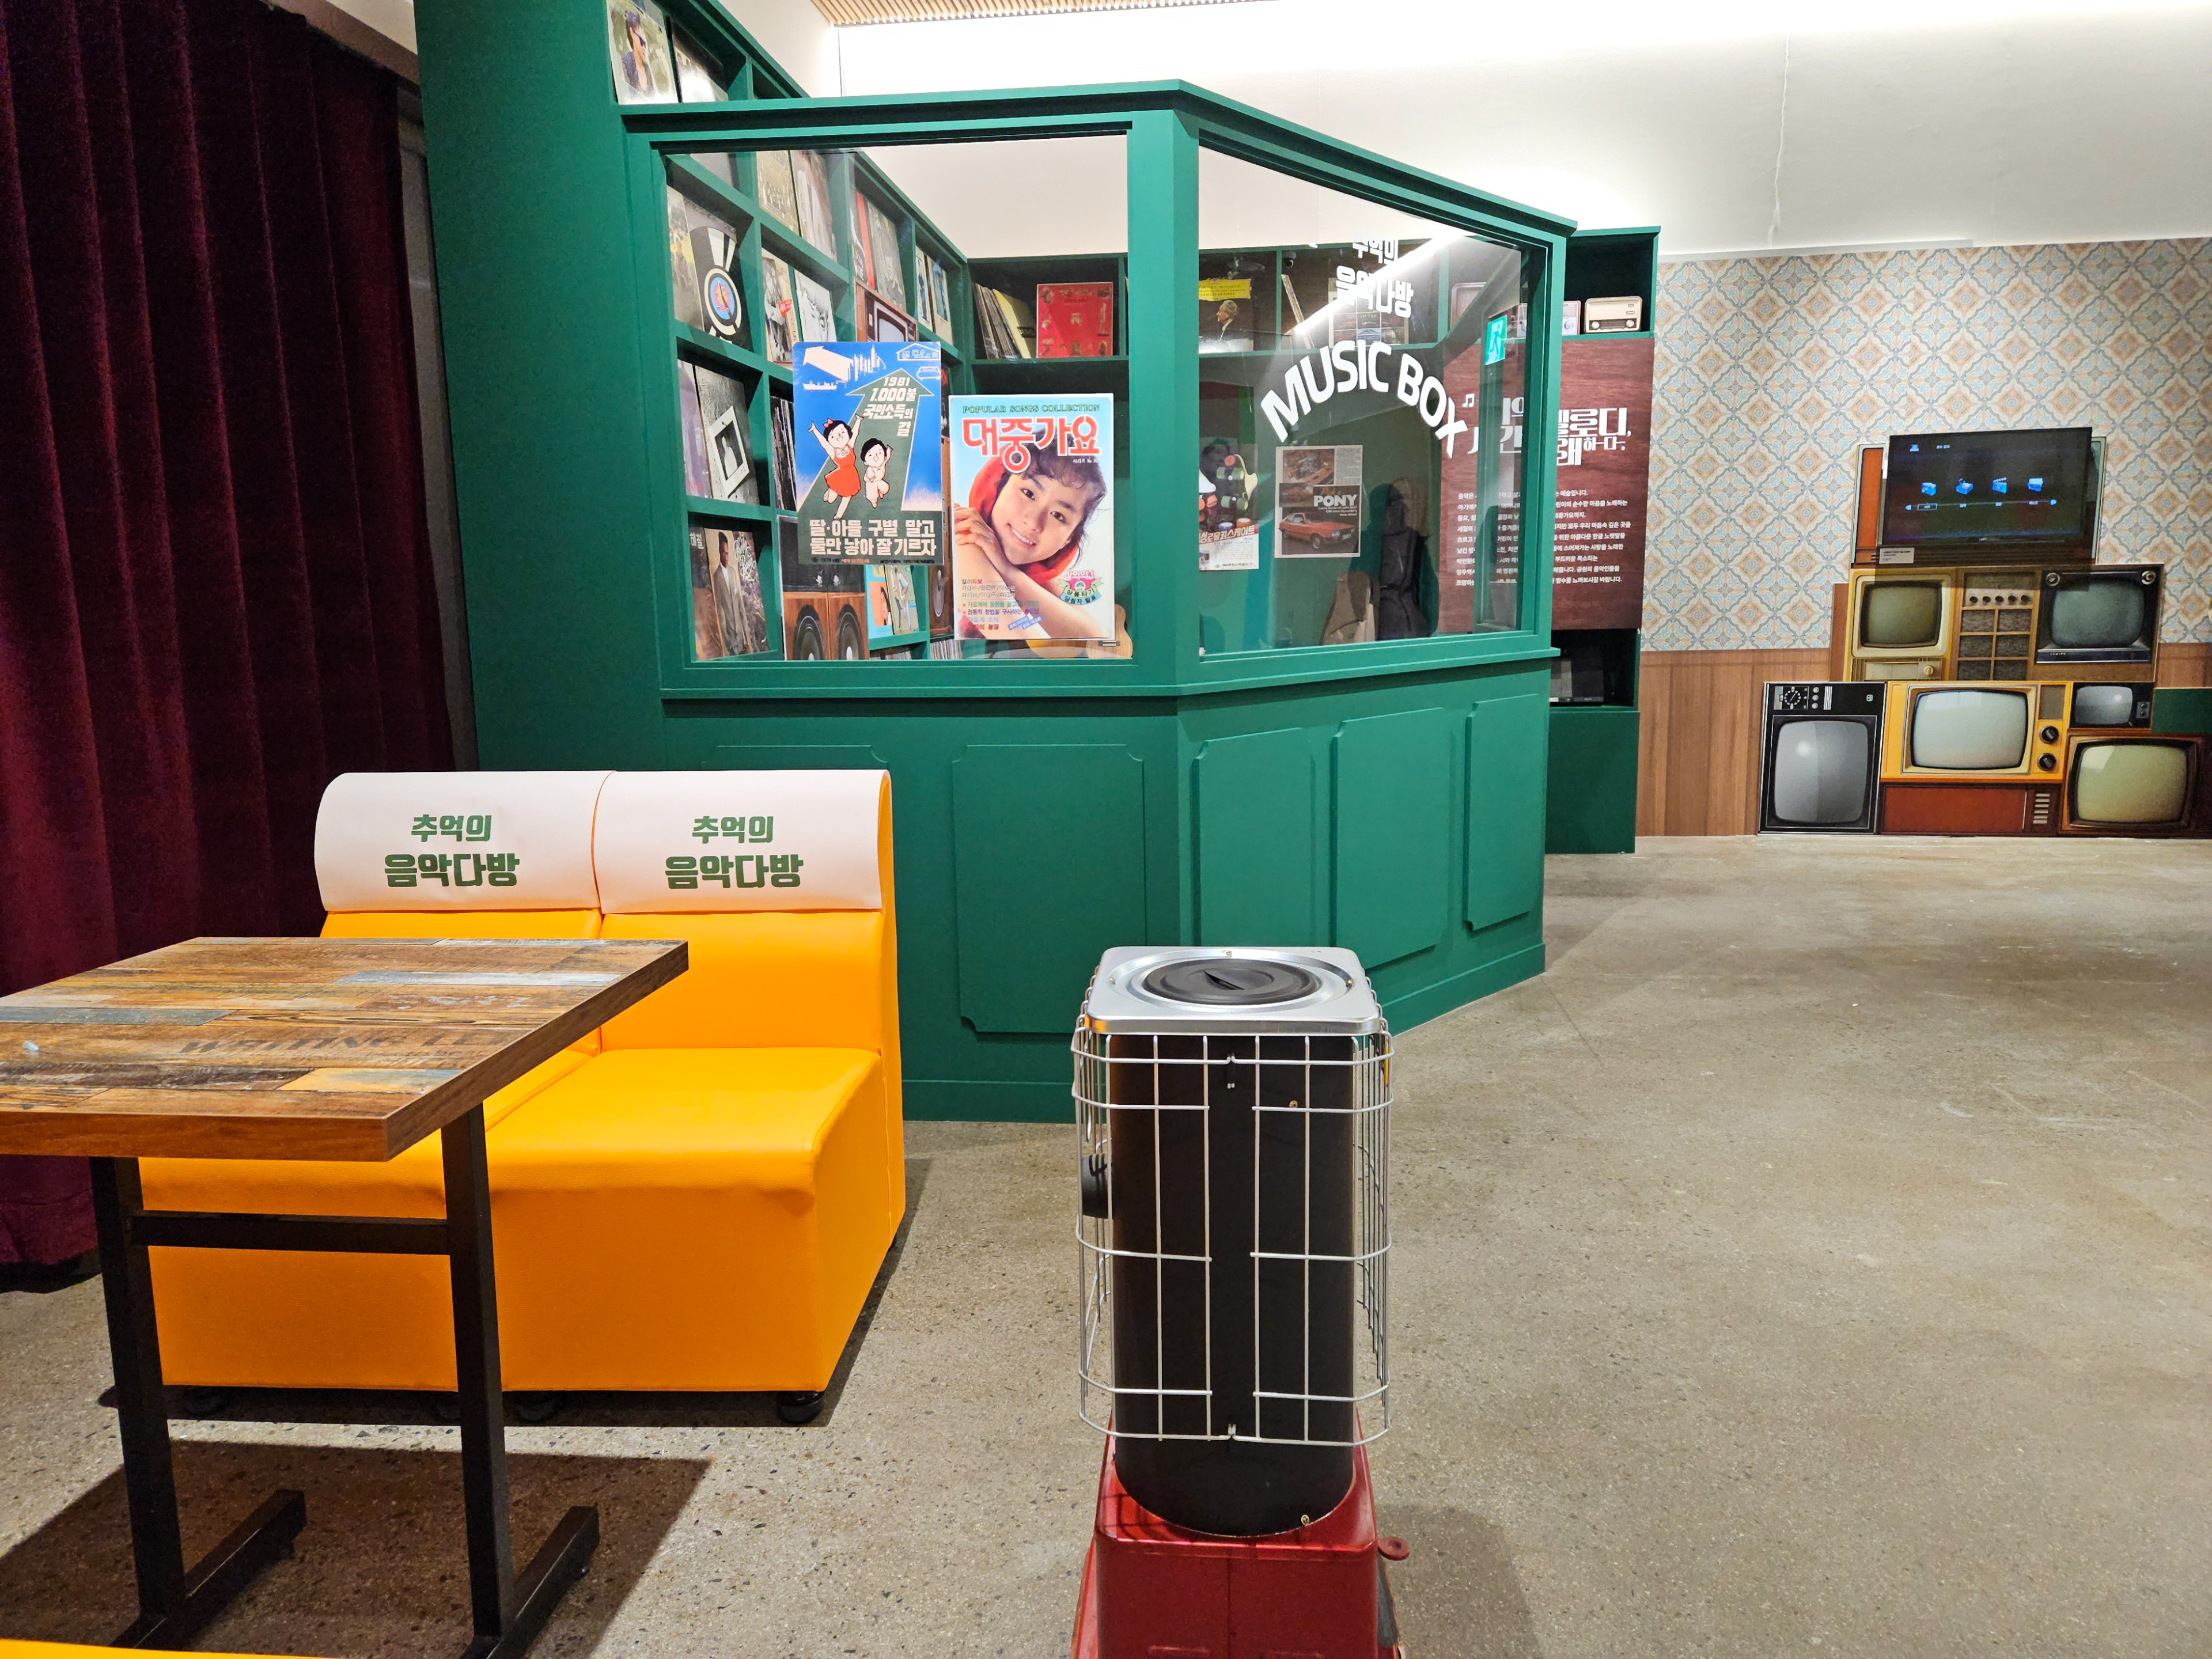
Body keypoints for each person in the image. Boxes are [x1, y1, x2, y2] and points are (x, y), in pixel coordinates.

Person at [953, 441, 1108, 641]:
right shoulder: (965, 533)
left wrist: (1008, 570)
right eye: (1029, 493)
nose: (1034, 522)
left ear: (1068, 540)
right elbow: (1022, 641)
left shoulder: (1035, 571)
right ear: (999, 485)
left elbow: (1095, 639)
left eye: (1058, 515)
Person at [814, 418, 862, 519]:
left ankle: (839, 516)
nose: (839, 437)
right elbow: (824, 443)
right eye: (833, 436)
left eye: (842, 432)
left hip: (852, 477)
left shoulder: (850, 446)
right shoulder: (833, 452)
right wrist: (815, 430)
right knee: (830, 500)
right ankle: (830, 489)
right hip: (839, 477)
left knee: (847, 497)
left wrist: (858, 420)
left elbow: (855, 433)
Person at [860, 438, 892, 509]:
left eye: (880, 453)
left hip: (879, 483)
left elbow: (887, 458)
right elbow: (865, 478)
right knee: (873, 496)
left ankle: (880, 492)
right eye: (870, 455)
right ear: (866, 462)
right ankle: (874, 502)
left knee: (886, 488)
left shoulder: (882, 465)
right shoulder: (870, 470)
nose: (876, 457)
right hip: (871, 485)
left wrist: (889, 451)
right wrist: (870, 479)